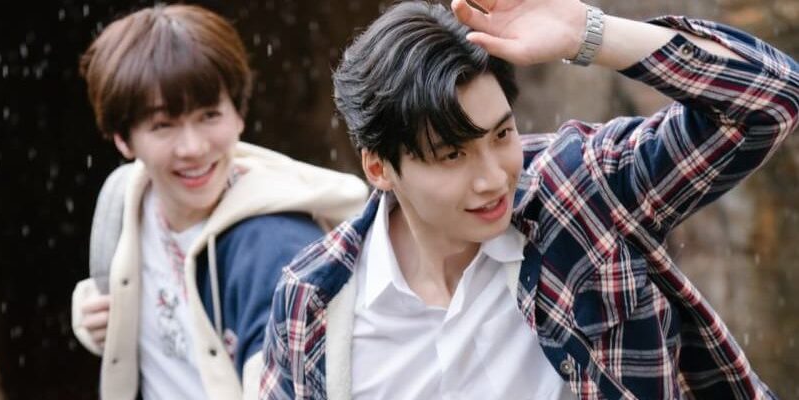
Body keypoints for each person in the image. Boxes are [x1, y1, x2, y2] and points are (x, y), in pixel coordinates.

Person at [260, 0, 798, 399]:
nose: (493, 178)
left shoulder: (576, 193)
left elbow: (771, 102)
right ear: (379, 167)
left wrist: (587, 32)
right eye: (452, 155)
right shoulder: (315, 304)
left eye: (501, 134)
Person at [67, 4, 368, 399]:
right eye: (163, 125)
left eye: (209, 115)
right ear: (123, 139)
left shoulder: (277, 248)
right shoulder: (124, 201)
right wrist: (102, 317)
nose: (193, 148)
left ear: (239, 114)